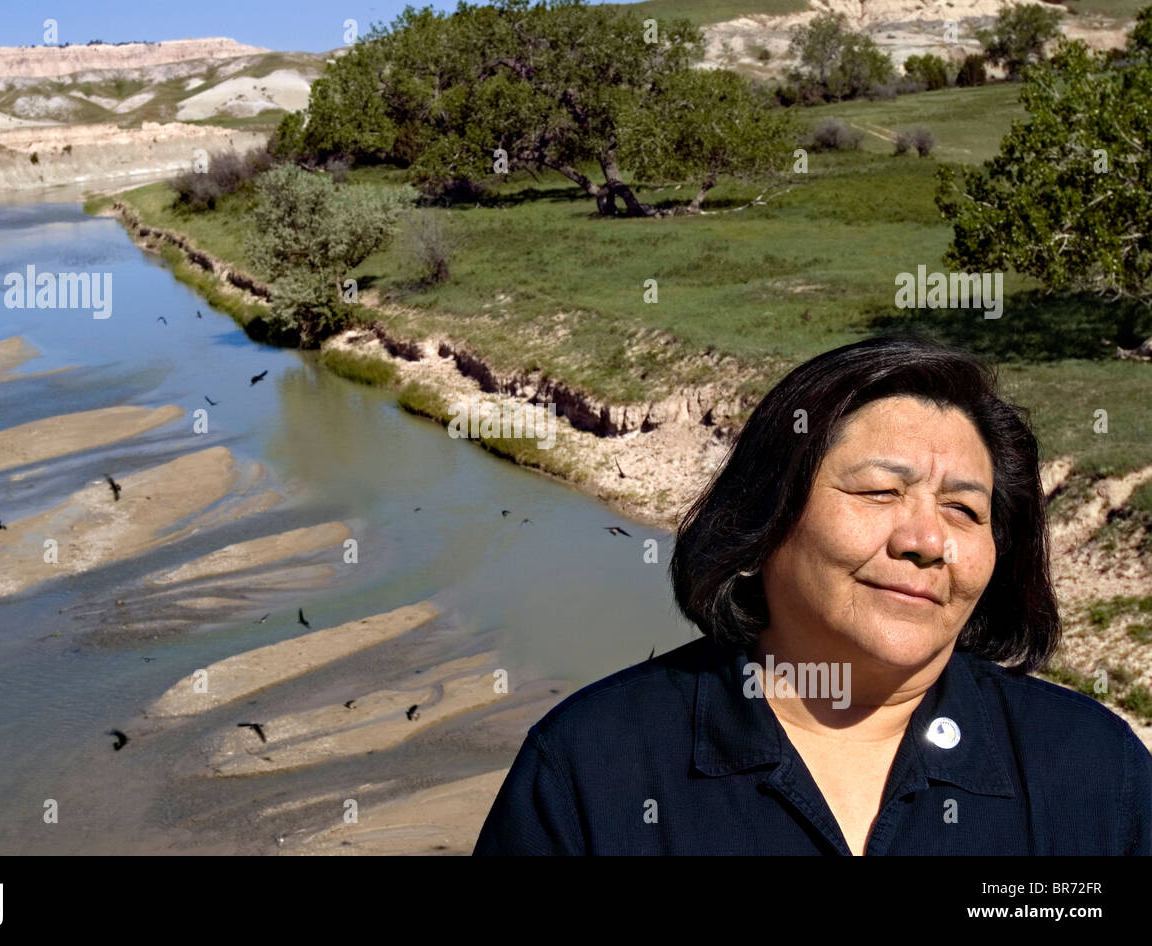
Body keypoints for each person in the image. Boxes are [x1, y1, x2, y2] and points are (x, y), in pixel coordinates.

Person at [473, 335, 1152, 855]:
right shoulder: (592, 770)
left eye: (964, 510)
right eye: (879, 491)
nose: (926, 540)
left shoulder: (1094, 772)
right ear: (765, 518)